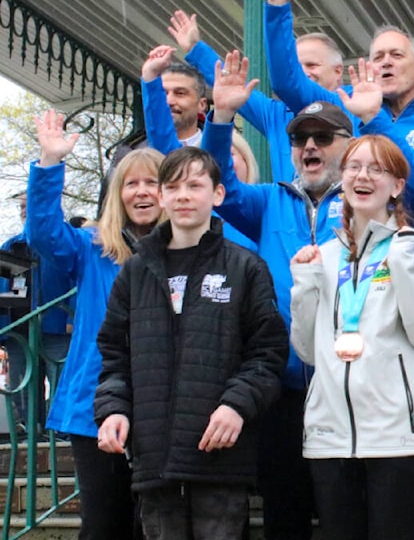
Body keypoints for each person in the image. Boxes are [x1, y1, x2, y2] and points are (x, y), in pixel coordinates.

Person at [202, 50, 380, 540]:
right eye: (300, 138)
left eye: (323, 137)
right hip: (280, 390)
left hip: (351, 386)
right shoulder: (267, 201)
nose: (309, 146)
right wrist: (220, 118)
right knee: (285, 514)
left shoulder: (372, 199)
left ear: (349, 146)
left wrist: (373, 120)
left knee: (348, 515)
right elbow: (217, 182)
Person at [94, 146, 287, 540]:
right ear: (162, 196)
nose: (183, 196)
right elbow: (114, 354)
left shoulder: (246, 267)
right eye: (174, 187)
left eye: (195, 185)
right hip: (153, 461)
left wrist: (236, 405)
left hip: (219, 459)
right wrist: (114, 409)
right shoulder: (135, 272)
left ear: (217, 194)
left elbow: (268, 353)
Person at [290, 135, 414, 539]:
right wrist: (304, 287)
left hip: (402, 439)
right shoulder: (322, 257)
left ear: (397, 186)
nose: (362, 176)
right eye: (354, 167)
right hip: (331, 439)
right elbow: (307, 351)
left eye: (376, 169)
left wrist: (403, 267)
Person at [27, 109, 163, 539]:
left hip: (161, 409)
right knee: (105, 525)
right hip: (93, 407)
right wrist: (50, 163)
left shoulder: (185, 250)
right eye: (131, 183)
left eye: (151, 182)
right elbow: (43, 233)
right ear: (116, 194)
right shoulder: (91, 248)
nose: (141, 192)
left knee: (154, 527)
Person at [264, 0, 414, 211]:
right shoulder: (344, 103)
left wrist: (374, 118)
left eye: (396, 55)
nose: (386, 62)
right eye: (378, 57)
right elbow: (287, 83)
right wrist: (277, 8)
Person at [168, 10, 343, 182]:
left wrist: (277, 6)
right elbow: (231, 86)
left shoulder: (353, 105)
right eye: (296, 67)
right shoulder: (276, 114)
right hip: (291, 208)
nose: (302, 73)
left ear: (338, 72)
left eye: (312, 65)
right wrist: (195, 49)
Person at [140, 44, 257, 252]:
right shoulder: (157, 156)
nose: (170, 100)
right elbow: (164, 142)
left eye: (180, 93)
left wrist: (223, 114)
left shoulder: (262, 208)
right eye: (164, 93)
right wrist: (150, 78)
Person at [0, 191, 72, 433]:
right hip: (19, 331)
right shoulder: (11, 247)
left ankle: (60, 435)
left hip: (57, 327)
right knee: (24, 386)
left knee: (62, 382)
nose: (24, 211)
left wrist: (72, 317)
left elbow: (78, 283)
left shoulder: (65, 243)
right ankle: (32, 434)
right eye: (21, 207)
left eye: (28, 206)